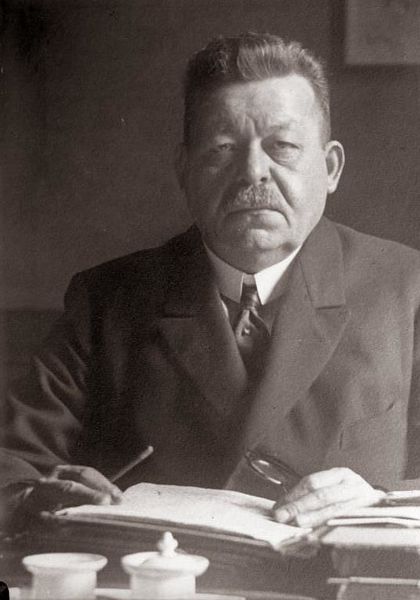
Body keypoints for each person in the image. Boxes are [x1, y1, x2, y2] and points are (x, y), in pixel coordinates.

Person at [2, 32, 420, 531]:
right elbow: (13, 469)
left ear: (330, 168)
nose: (253, 173)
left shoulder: (406, 288)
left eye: (283, 147)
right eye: (222, 149)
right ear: (185, 170)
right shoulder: (106, 300)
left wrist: (381, 501)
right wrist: (38, 496)